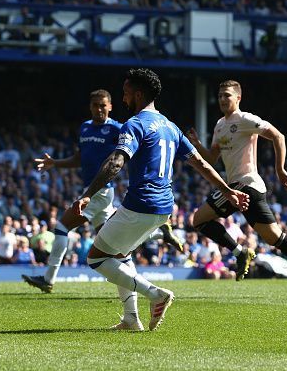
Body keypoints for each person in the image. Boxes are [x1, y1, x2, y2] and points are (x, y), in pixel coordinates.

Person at [71, 69, 249, 331]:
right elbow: (200, 163)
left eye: (126, 93)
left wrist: (87, 194)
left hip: (141, 203)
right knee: (120, 254)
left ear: (138, 94)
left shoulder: (135, 124)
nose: (123, 98)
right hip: (164, 206)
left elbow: (116, 162)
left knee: (96, 258)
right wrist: (226, 189)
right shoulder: (170, 126)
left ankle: (156, 294)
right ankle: (131, 318)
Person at [23, 89, 182, 293]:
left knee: (62, 227)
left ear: (110, 106)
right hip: (93, 189)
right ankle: (159, 235)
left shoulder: (118, 128)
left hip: (101, 191)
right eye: (95, 105)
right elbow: (79, 159)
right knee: (110, 241)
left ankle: (48, 278)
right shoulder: (85, 128)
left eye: (103, 105)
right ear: (90, 107)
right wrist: (55, 163)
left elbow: (126, 155)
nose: (99, 109)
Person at [186, 80, 287, 298]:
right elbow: (212, 158)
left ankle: (240, 253)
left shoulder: (246, 119)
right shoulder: (220, 125)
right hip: (239, 185)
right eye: (220, 95)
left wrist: (280, 169)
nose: (223, 99)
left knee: (199, 219)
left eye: (227, 95)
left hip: (246, 184)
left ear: (238, 98)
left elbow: (278, 136)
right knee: (274, 237)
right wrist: (197, 145)